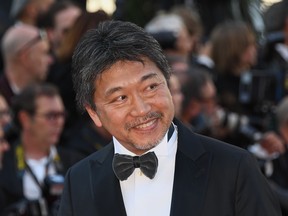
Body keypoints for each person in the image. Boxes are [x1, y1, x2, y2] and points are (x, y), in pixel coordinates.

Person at [58, 20, 281, 216]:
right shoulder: (79, 181)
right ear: (94, 113)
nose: (142, 109)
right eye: (120, 98)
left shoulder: (234, 169)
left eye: (151, 87)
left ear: (169, 82)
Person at [0, 83, 84, 215]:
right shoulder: (4, 162)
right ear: (25, 119)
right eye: (51, 116)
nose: (59, 122)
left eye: (62, 115)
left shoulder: (76, 163)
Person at [0, 24, 53, 105]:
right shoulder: (3, 98)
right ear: (25, 57)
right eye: (44, 53)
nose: (50, 60)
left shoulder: (50, 94)